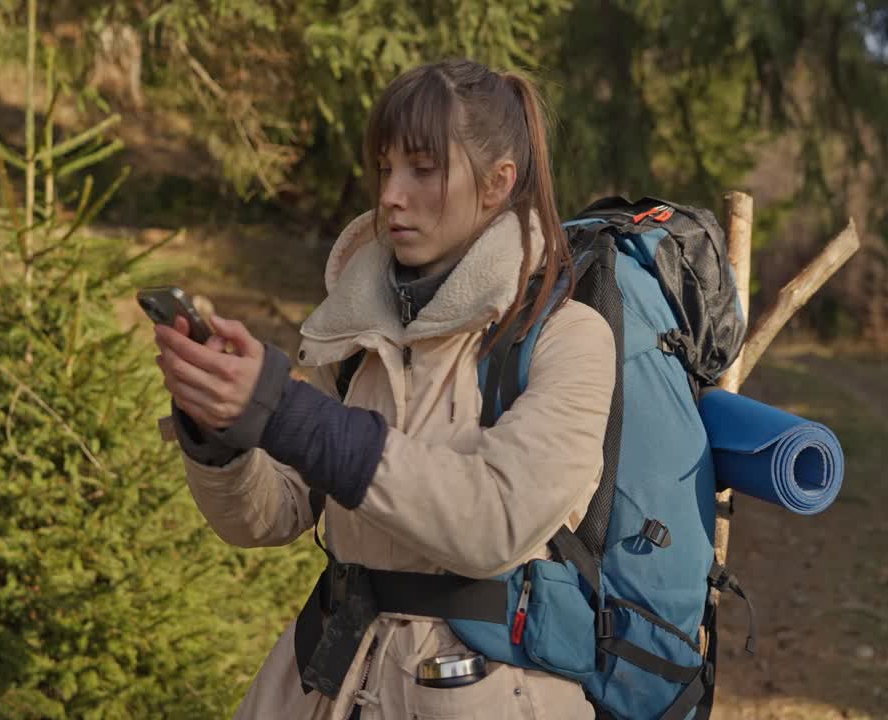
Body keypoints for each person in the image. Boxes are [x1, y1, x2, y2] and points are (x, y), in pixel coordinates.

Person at [153, 58, 615, 720]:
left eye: (422, 169)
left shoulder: (569, 339)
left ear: (496, 184)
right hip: (323, 683)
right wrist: (219, 427)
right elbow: (268, 515)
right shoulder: (356, 334)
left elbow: (495, 523)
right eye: (384, 168)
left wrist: (286, 411)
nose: (392, 194)